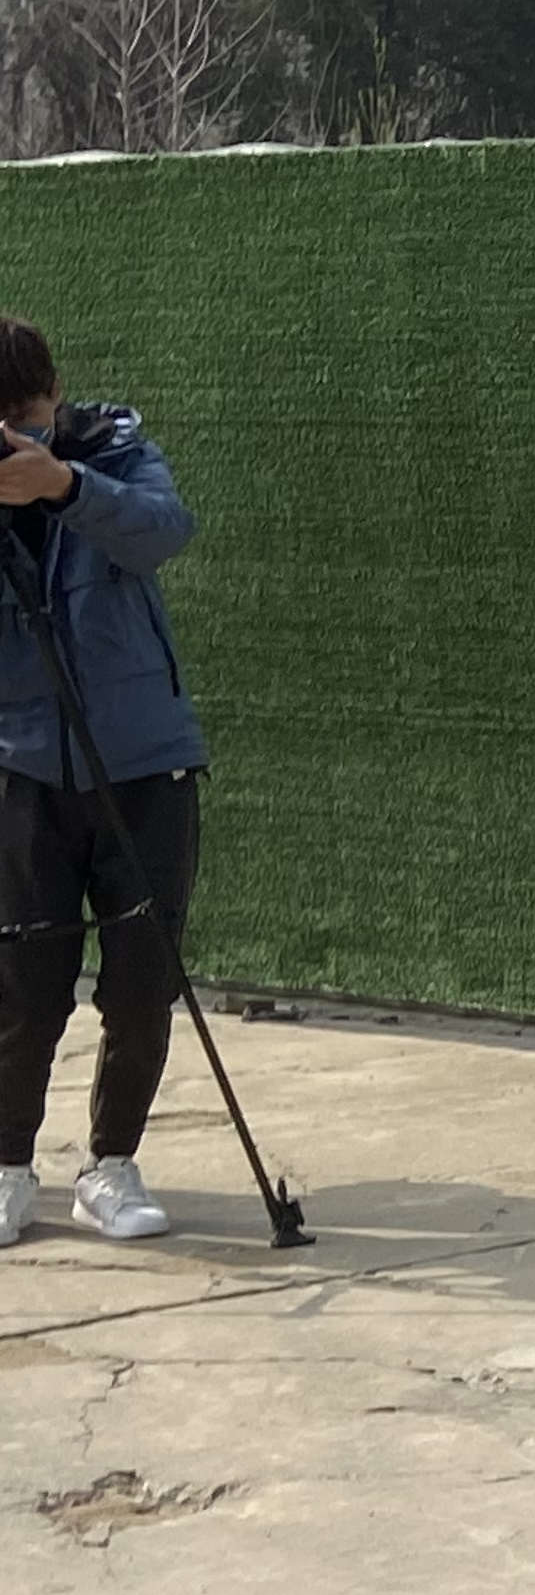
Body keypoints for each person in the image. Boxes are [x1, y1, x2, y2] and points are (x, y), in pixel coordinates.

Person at [0, 316, 203, 1249]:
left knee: (142, 979)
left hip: (144, 761)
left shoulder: (113, 450)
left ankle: (111, 1164)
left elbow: (164, 532)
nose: (18, 438)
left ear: (54, 396)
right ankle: (8, 1167)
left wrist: (66, 487)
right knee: (21, 984)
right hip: (22, 767)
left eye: (29, 417)